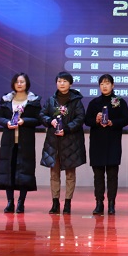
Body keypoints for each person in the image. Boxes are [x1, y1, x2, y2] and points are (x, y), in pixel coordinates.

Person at [40, 71, 86, 215]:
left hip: (71, 142)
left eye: (65, 81)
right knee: (54, 174)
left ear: (70, 84)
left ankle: (67, 203)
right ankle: (55, 203)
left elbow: (80, 118)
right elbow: (42, 114)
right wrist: (50, 121)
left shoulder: (76, 101)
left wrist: (66, 129)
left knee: (70, 174)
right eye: (59, 81)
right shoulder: (51, 100)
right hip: (53, 142)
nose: (62, 84)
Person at [84, 74, 128, 216]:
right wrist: (96, 120)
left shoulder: (119, 102)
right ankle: (99, 203)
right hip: (97, 143)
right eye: (102, 84)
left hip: (113, 142)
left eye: (107, 83)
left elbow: (126, 119)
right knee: (98, 175)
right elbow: (86, 120)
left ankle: (111, 204)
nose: (104, 86)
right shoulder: (94, 102)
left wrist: (112, 122)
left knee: (112, 175)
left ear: (113, 85)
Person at [0, 73, 41, 213]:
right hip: (9, 142)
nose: (19, 84)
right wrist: (7, 122)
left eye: (22, 81)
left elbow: (39, 120)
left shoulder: (33, 100)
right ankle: (10, 202)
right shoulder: (6, 99)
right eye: (17, 82)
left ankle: (21, 202)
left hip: (25, 142)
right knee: (8, 170)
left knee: (24, 172)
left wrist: (24, 121)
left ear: (27, 83)